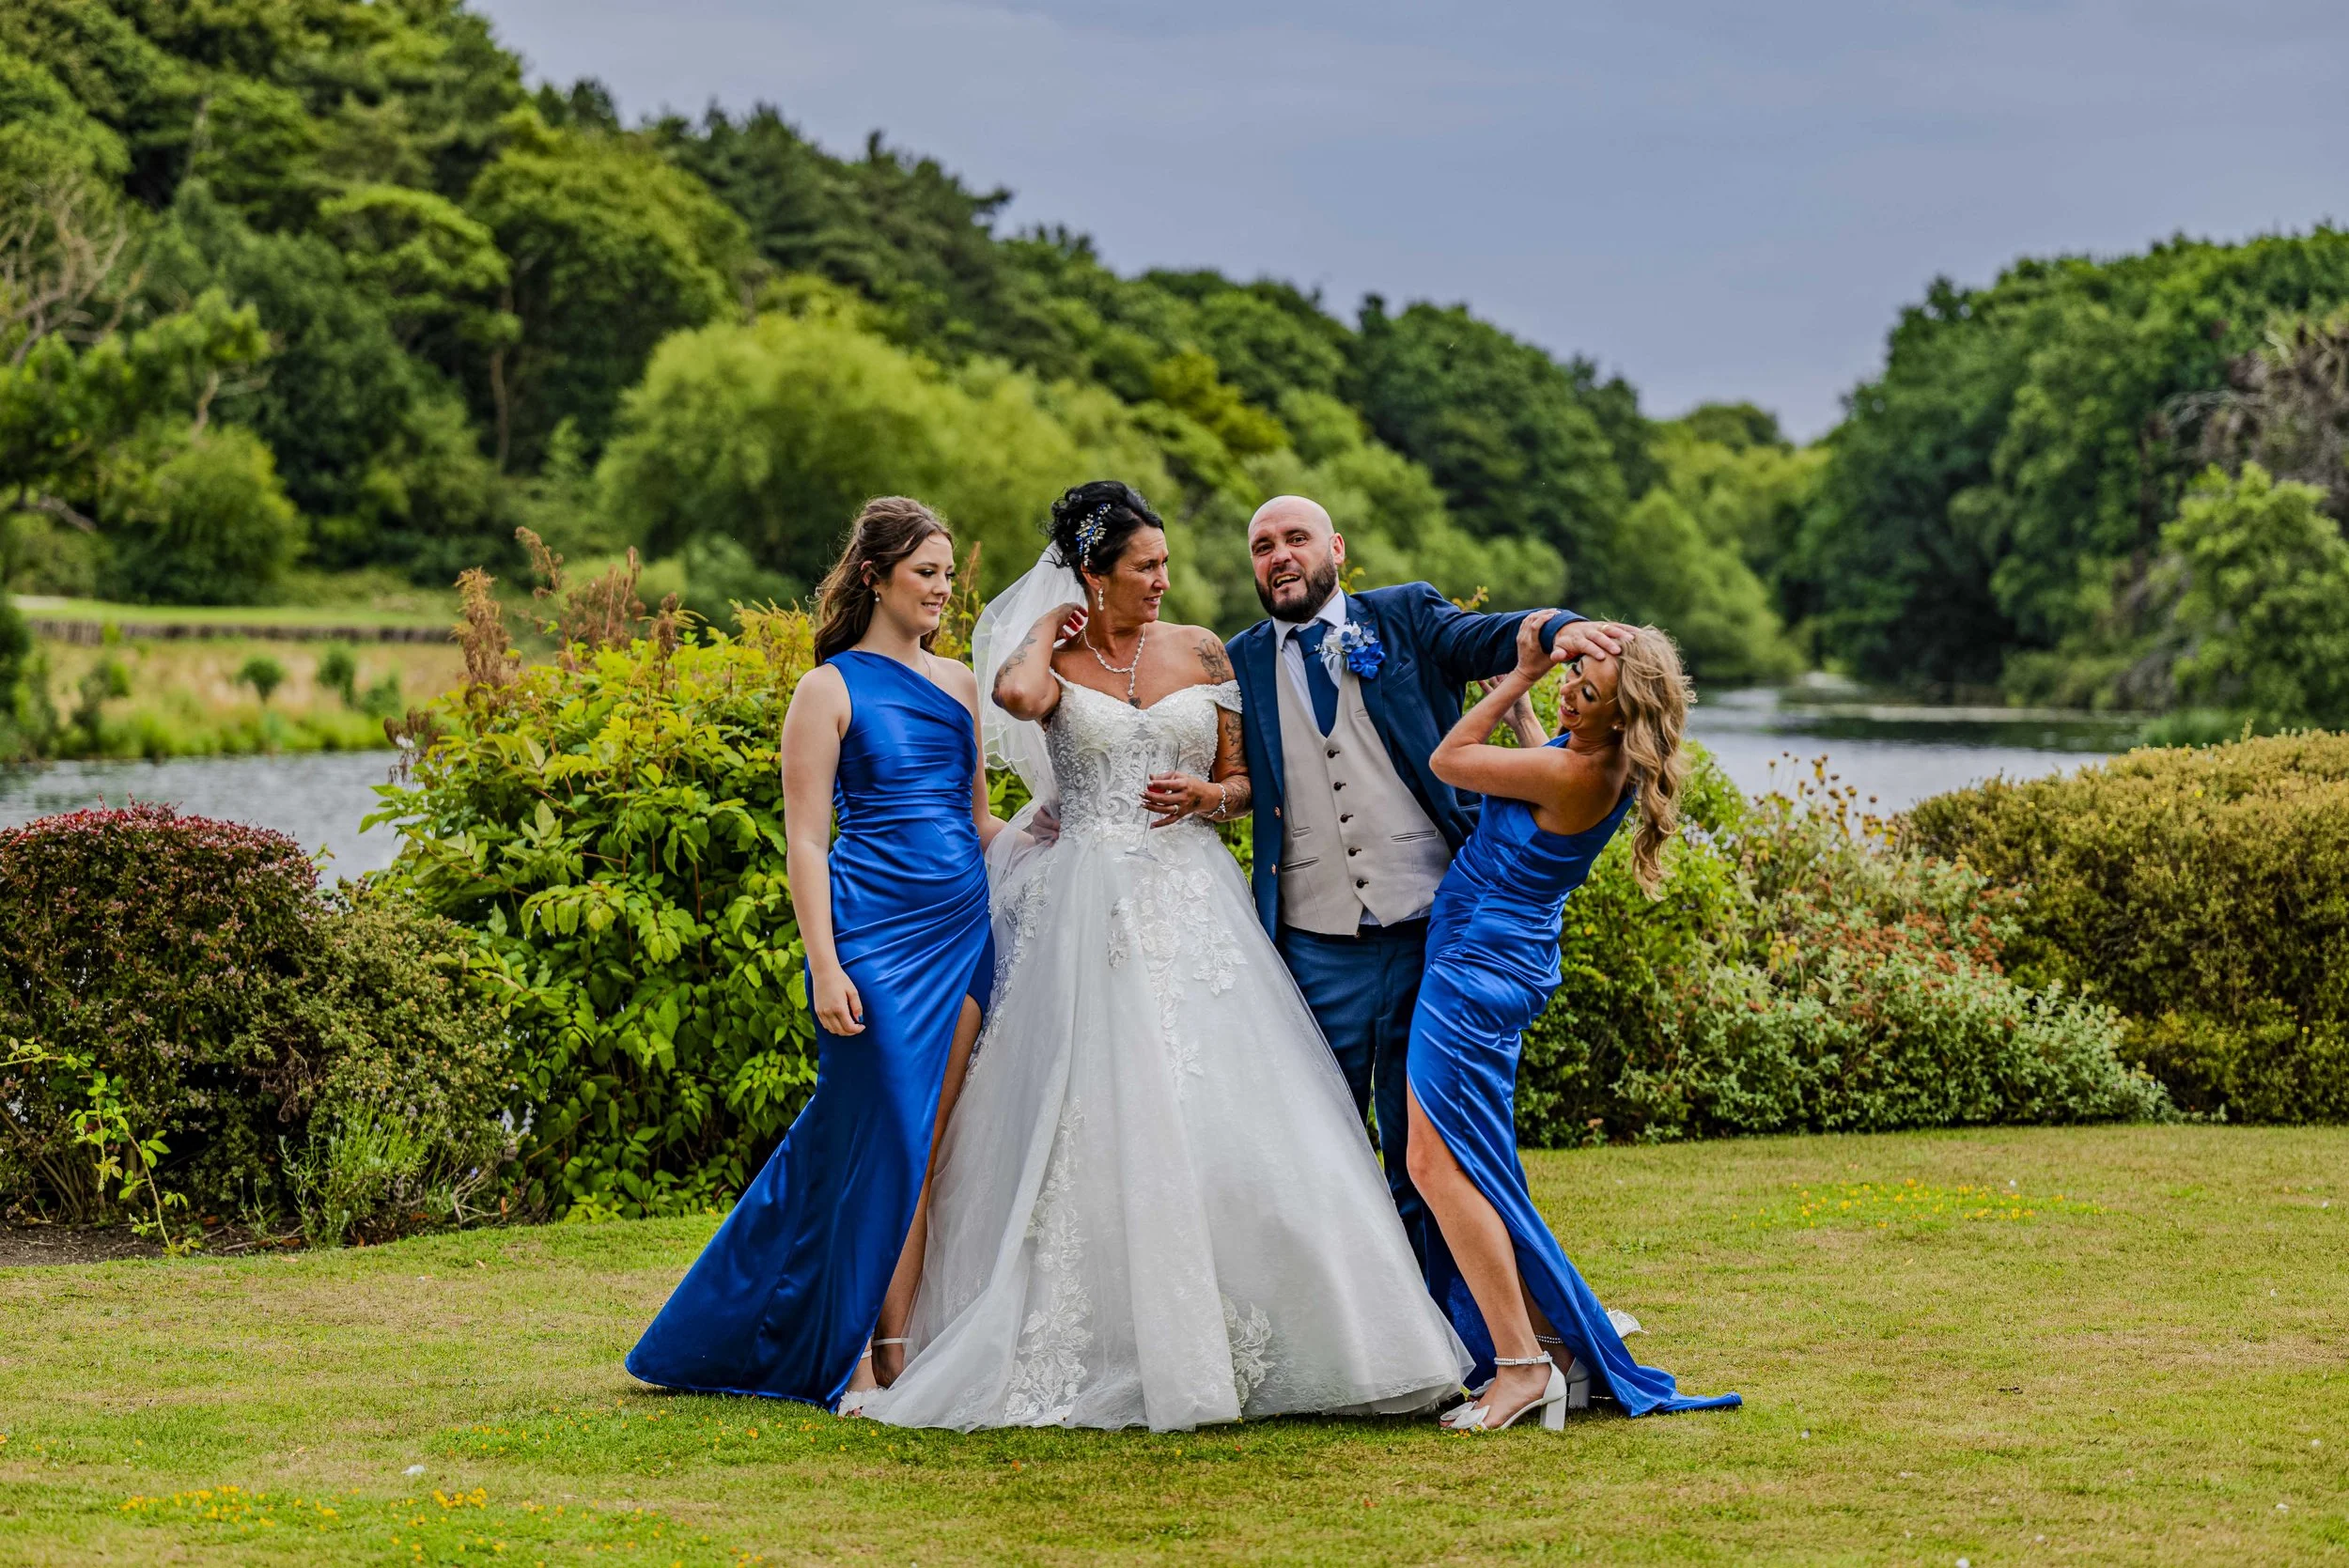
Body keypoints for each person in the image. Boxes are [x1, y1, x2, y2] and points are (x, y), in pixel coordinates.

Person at [861, 481, 1470, 1432]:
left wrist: (1209, 798)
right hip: (1090, 911)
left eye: (1165, 565)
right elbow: (1018, 698)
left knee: (1241, 1113)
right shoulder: (1053, 655)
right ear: (1093, 576)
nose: (1162, 580)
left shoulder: (1200, 648)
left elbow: (1239, 779)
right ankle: (1114, 1339)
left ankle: (1333, 1333)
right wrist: (1043, 630)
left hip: (1194, 901)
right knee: (1096, 1117)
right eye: (1143, 566)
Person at [625, 497, 1006, 1413]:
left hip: (962, 935)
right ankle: (827, 1348)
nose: (944, 591)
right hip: (872, 939)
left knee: (922, 1148)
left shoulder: (958, 684)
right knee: (871, 1136)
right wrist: (825, 965)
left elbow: (980, 818)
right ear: (874, 576)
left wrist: (1071, 838)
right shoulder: (827, 689)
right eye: (927, 573)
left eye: (949, 574)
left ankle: (896, 1350)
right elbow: (805, 843)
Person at [1224, 496, 1626, 1257]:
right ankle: (1359, 1338)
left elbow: (1485, 637)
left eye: (1296, 539)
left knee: (1427, 1149)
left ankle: (1447, 1334)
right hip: (1311, 942)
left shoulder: (1405, 618)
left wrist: (1553, 627)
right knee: (1322, 1146)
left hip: (1427, 930)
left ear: (1335, 549)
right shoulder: (1239, 659)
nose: (1279, 555)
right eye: (1262, 545)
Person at [1408, 612, 1740, 1430]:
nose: (1566, 695)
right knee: (1470, 1163)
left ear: (1620, 716)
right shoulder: (1595, 758)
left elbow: (1447, 760)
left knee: (1436, 1164)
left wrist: (1518, 675)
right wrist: (1531, 711)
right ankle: (1552, 1349)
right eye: (1568, 681)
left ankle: (1521, 1367)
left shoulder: (1580, 775)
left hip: (1478, 966)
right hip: (1497, 954)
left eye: (1583, 693)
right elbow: (1549, 758)